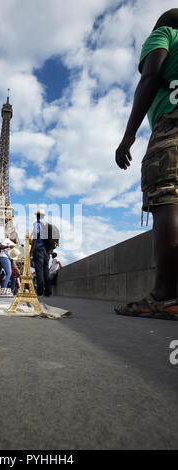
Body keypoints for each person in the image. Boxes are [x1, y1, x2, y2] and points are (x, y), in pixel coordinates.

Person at [115, 8, 178, 316]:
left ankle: (165, 296)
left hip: (172, 125)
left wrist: (128, 135)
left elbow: (151, 76)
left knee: (167, 197)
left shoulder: (165, 34)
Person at [30, 208, 51, 297]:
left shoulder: (37, 224)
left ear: (37, 216)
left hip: (39, 250)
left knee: (39, 271)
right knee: (46, 270)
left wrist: (31, 252)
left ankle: (39, 292)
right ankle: (48, 291)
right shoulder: (48, 225)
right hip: (47, 251)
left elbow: (35, 238)